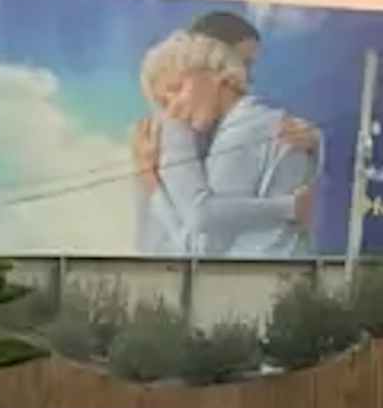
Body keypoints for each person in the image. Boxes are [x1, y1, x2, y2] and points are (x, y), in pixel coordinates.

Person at [130, 26, 320, 258]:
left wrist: (153, 187)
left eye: (177, 88)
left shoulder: (245, 128)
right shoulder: (255, 123)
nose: (174, 109)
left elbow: (203, 246)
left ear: (215, 72)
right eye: (165, 103)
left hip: (258, 279)